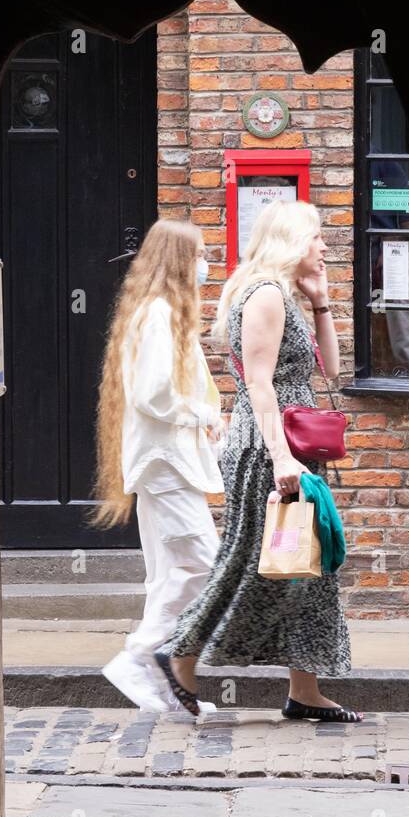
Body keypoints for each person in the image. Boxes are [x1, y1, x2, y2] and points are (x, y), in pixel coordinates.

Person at [153, 199, 361, 723]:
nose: (323, 246)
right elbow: (257, 384)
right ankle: (179, 655)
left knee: (307, 569)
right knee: (253, 565)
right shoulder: (265, 294)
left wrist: (321, 304)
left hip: (293, 449)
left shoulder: (290, 296)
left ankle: (304, 692)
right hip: (269, 450)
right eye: (316, 237)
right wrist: (282, 458)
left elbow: (331, 374)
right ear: (292, 239)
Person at [92, 218, 224, 712]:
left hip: (164, 463)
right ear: (180, 261)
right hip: (166, 464)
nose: (206, 264)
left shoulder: (159, 312)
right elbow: (153, 395)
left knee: (166, 571)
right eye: (201, 255)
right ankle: (139, 655)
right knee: (204, 565)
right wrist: (201, 414)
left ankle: (161, 686)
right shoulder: (161, 314)